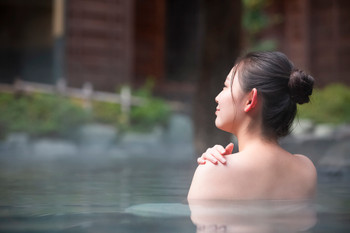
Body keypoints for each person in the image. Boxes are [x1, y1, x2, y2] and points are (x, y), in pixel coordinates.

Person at [188, 51, 317, 200]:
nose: (217, 98)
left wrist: (216, 169)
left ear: (250, 100)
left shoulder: (212, 171)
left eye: (225, 86)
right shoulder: (306, 170)